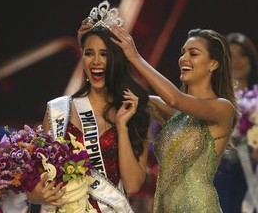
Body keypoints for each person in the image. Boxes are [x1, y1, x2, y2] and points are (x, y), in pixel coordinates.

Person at [26, 1, 153, 213]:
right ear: (82, 57)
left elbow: (132, 185)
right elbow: (40, 180)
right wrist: (35, 195)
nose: (96, 61)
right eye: (89, 53)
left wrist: (121, 127)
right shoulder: (58, 111)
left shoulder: (135, 112)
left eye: (104, 54)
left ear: (117, 59)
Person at [109, 26, 238, 212]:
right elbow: (124, 97)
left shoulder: (223, 108)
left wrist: (135, 57)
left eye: (193, 53)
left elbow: (175, 99)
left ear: (213, 64)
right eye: (183, 53)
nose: (183, 59)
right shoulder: (174, 113)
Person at [214, 32, 258, 213]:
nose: (238, 60)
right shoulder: (210, 100)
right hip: (215, 175)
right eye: (231, 56)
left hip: (249, 176)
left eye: (243, 54)